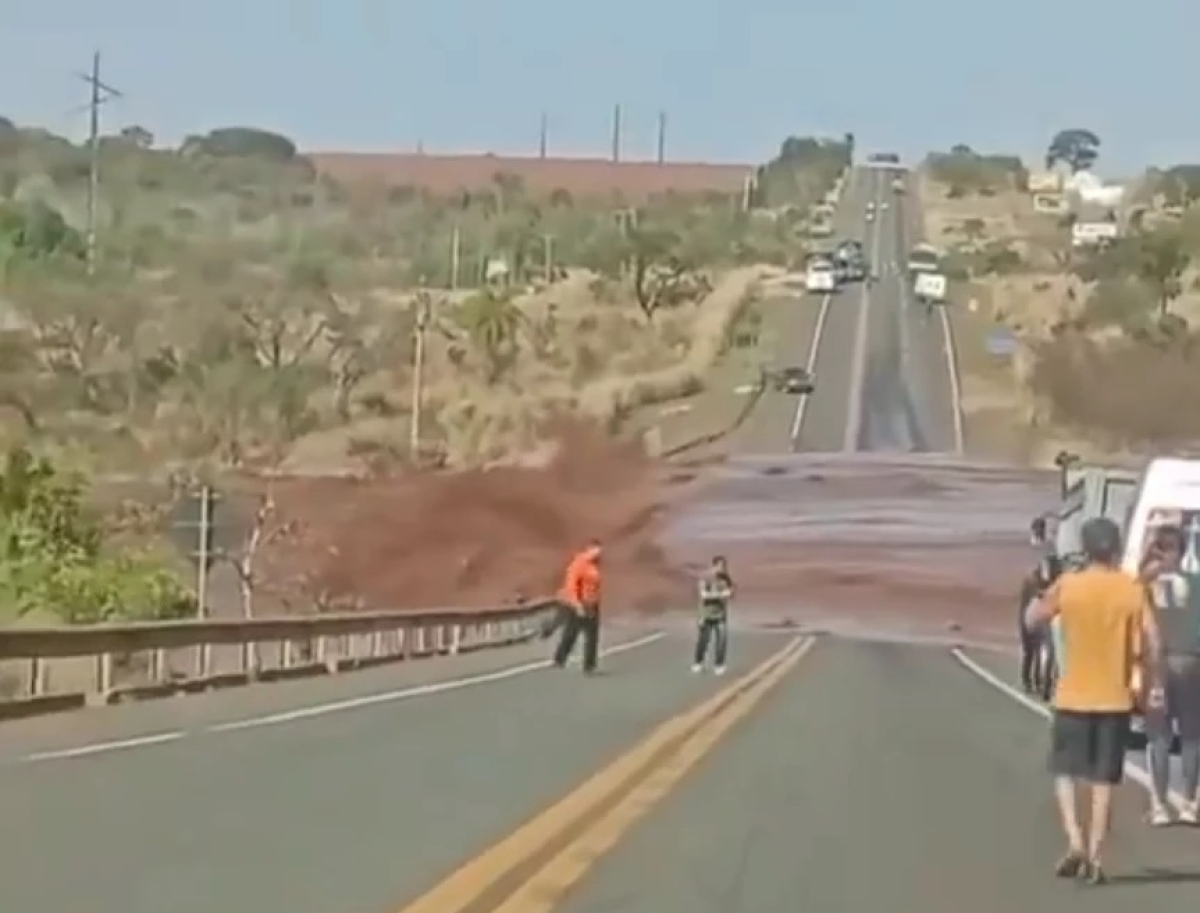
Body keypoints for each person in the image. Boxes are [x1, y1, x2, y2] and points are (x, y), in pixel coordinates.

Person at [1025, 516, 1164, 885]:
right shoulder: (1131, 590)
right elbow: (1154, 643)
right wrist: (1147, 684)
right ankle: (1097, 855)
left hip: (1073, 695)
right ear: (1116, 548)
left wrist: (1042, 595)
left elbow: (1033, 621)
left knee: (1065, 773)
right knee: (1103, 781)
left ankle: (1075, 841)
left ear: (1085, 550)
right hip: (1115, 699)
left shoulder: (1069, 585)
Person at [1139, 523, 1200, 826]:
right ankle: (1189, 803)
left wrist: (1149, 556)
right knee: (1191, 738)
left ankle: (1160, 805)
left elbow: (1133, 583)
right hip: (1193, 663)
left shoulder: (1145, 585)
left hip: (1158, 665)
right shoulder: (1196, 583)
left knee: (1159, 738)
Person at [552, 541, 602, 674]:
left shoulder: (594, 565)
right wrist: (577, 605)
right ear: (588, 549)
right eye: (596, 551)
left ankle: (589, 666)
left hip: (592, 603)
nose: (599, 555)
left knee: (592, 636)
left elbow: (594, 586)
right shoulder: (578, 565)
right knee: (571, 633)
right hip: (579, 603)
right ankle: (560, 658)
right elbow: (572, 586)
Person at [692, 556, 734, 675]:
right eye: (720, 566)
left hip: (720, 615)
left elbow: (730, 593)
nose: (722, 568)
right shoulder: (706, 578)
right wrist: (719, 595)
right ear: (714, 566)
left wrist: (717, 595)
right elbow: (703, 595)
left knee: (722, 640)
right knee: (703, 640)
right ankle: (698, 662)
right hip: (706, 614)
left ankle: (719, 664)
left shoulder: (726, 579)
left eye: (724, 566)